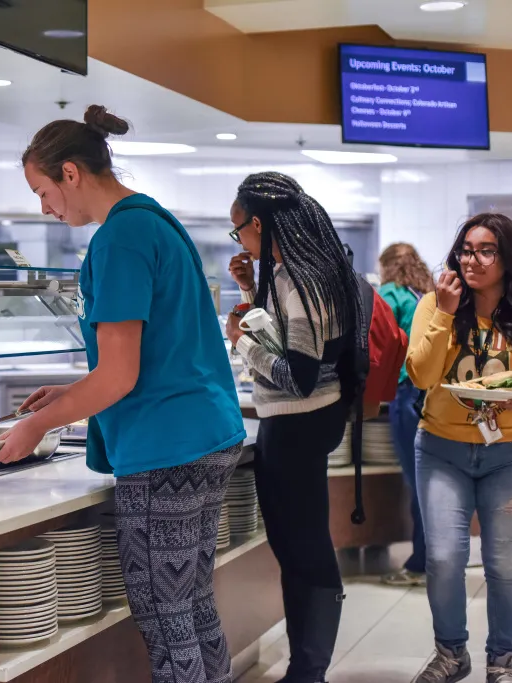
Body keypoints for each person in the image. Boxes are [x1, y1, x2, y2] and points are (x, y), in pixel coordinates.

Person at [0, 105, 247, 683]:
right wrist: (70, 392)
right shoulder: (153, 220)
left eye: (43, 190)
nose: (45, 207)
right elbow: (148, 355)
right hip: (205, 433)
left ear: (72, 174)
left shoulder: (118, 239)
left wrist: (39, 425)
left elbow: (119, 378)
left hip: (166, 448)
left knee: (164, 616)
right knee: (192, 605)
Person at [225, 172, 364, 683]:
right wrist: (248, 287)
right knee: (301, 545)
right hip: (316, 421)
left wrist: (240, 340)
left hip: (295, 423)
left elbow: (298, 376)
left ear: (258, 223)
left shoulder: (295, 280)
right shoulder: (316, 272)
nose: (239, 239)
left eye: (238, 229)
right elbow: (294, 341)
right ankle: (307, 668)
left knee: (301, 549)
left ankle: (308, 670)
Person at [407, 213, 512, 683]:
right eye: (467, 250)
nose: (473, 259)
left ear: (507, 257)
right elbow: (421, 374)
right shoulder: (436, 303)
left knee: (507, 563)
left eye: (486, 250)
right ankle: (452, 653)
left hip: (510, 452)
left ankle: (502, 660)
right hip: (441, 449)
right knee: (443, 558)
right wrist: (444, 312)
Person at [378, 243, 435, 588]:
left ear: (386, 267)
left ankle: (421, 563)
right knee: (428, 479)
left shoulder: (389, 293)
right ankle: (432, 557)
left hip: (405, 391)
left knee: (417, 482)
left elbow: (376, 343)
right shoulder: (424, 294)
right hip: (429, 393)